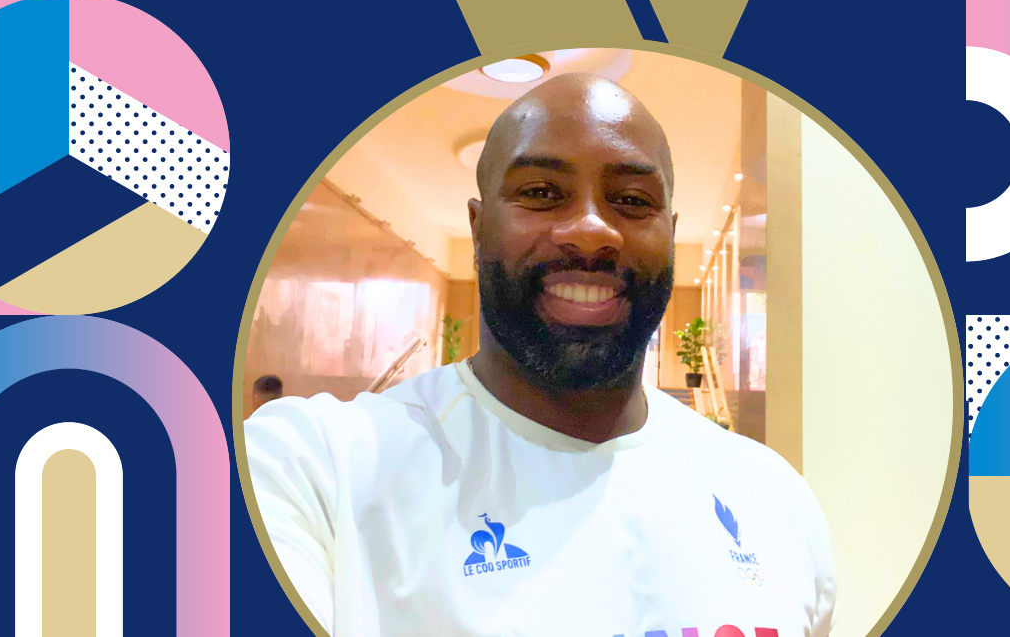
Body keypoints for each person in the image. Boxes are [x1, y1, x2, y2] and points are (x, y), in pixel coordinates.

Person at [245, 73, 835, 637]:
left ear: (671, 234)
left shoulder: (774, 499)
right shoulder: (312, 470)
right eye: (541, 193)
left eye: (632, 199)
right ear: (478, 228)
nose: (591, 229)